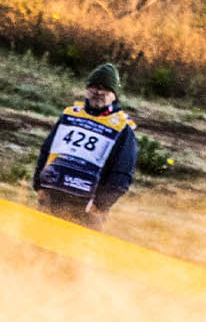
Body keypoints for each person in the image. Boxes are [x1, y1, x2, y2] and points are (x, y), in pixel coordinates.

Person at [31, 64, 139, 229]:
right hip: (51, 197)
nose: (98, 92)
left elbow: (122, 173)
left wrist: (100, 204)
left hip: (87, 208)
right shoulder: (70, 115)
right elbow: (47, 151)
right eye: (93, 86)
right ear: (87, 89)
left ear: (114, 95)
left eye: (105, 88)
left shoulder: (123, 128)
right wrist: (39, 185)